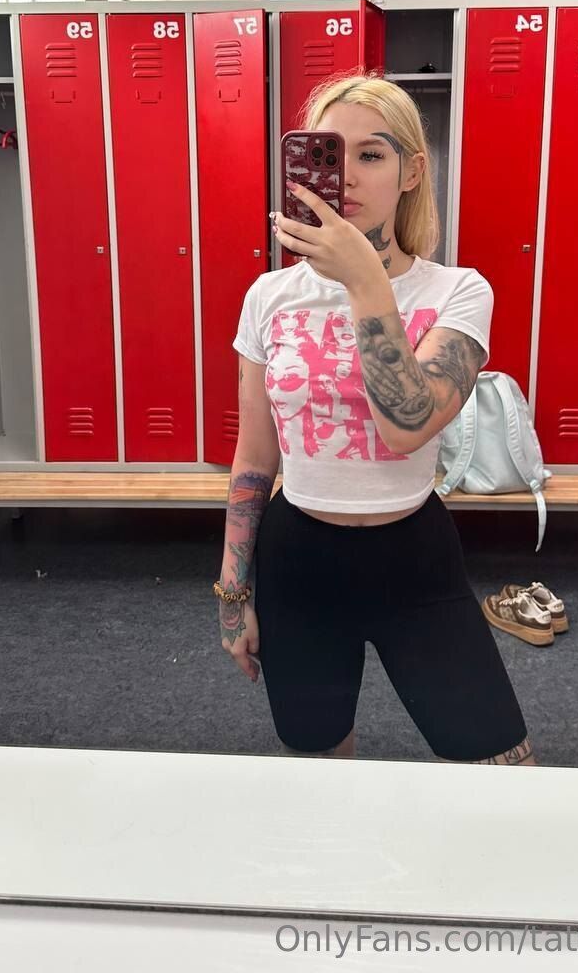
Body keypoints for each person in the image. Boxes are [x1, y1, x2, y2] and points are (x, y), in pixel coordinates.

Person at [215, 74, 534, 766]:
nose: (349, 176)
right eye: (330, 153)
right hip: (299, 559)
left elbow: (406, 424)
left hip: (413, 559)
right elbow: (254, 457)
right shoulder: (269, 296)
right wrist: (232, 591)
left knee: (502, 765)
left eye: (371, 154)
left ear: (411, 171)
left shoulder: (458, 291)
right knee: (320, 761)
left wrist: (364, 281)